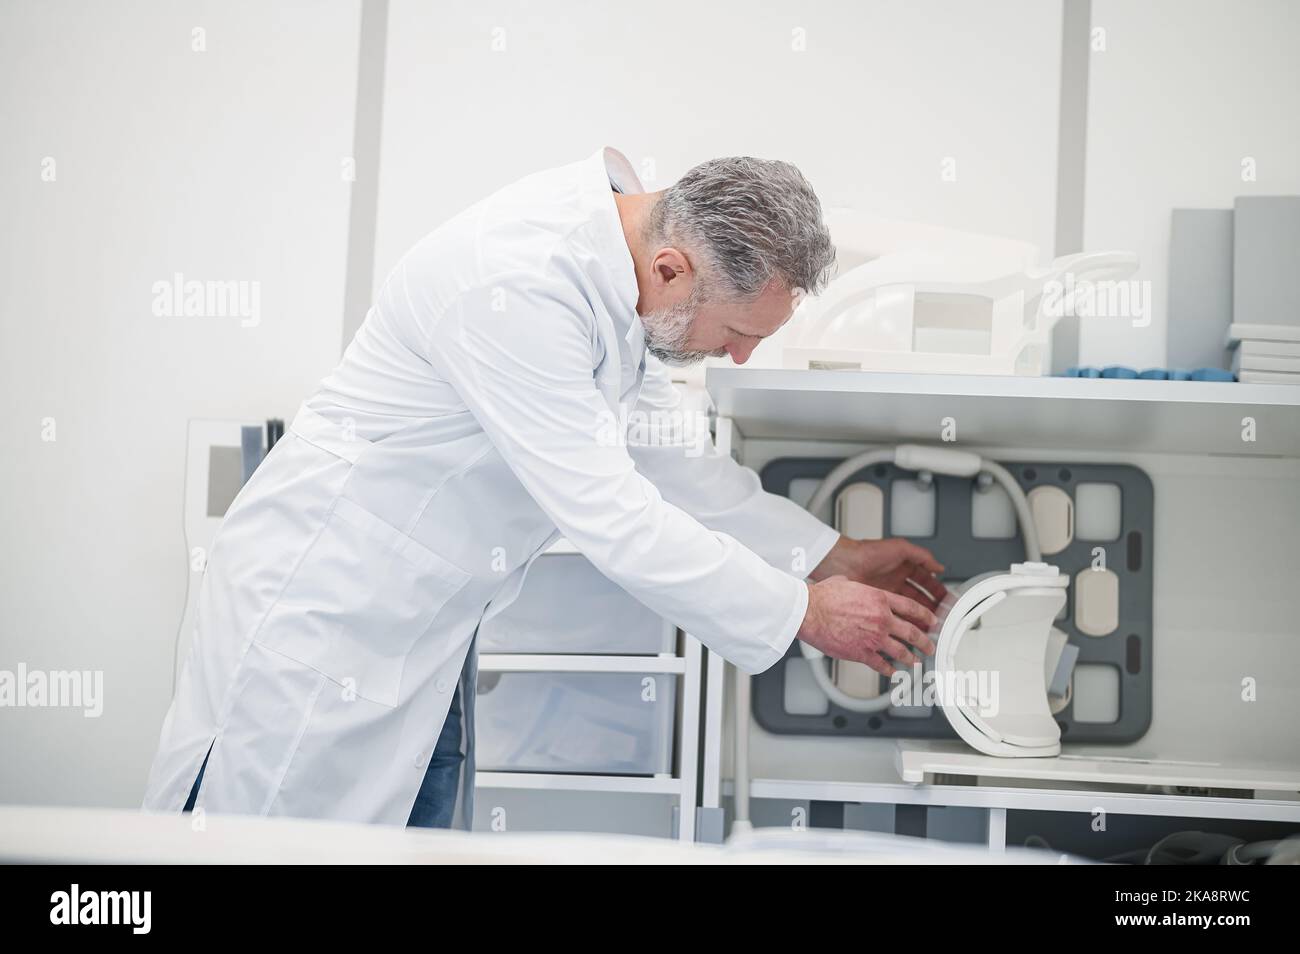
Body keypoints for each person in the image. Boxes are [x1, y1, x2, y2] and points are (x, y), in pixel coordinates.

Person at [144, 147, 946, 829]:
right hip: (323, 619)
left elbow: (671, 461)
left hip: (421, 637)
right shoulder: (518, 285)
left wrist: (828, 555)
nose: (736, 359)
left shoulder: (623, 272)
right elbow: (615, 518)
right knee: (255, 845)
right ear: (674, 270)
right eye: (737, 335)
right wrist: (800, 611)